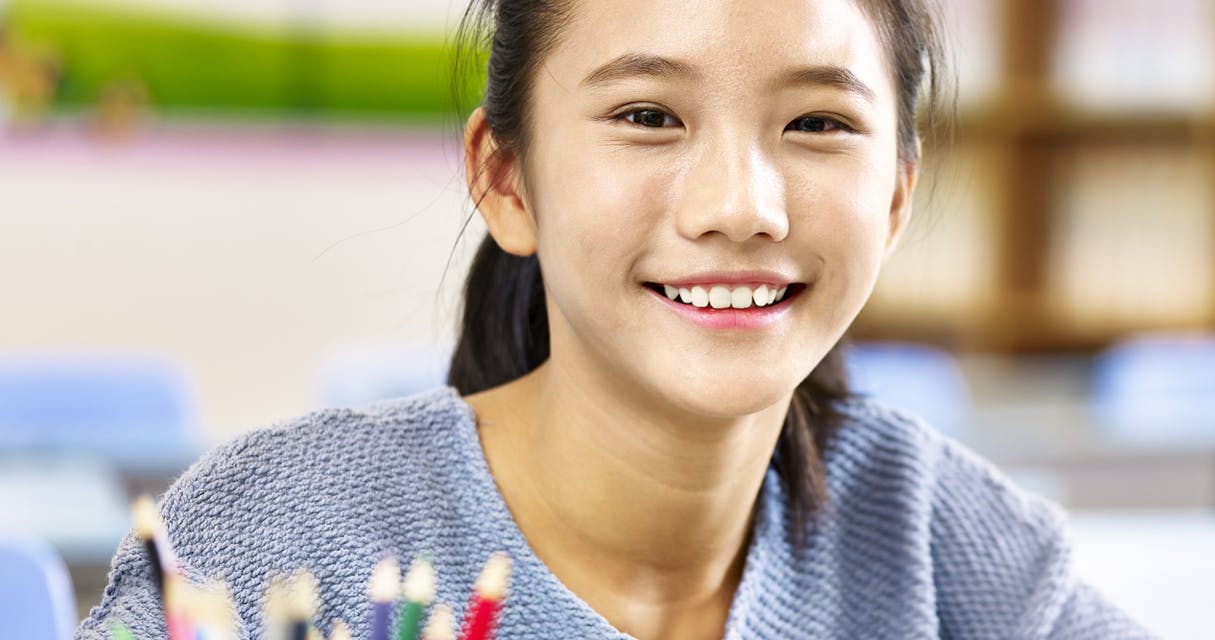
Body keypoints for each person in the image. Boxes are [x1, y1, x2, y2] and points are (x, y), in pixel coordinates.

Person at [75, 0, 1151, 638]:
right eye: (647, 115)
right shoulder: (270, 537)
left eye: (818, 121)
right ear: (507, 180)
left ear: (897, 198)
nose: (740, 205)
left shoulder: (950, 552)